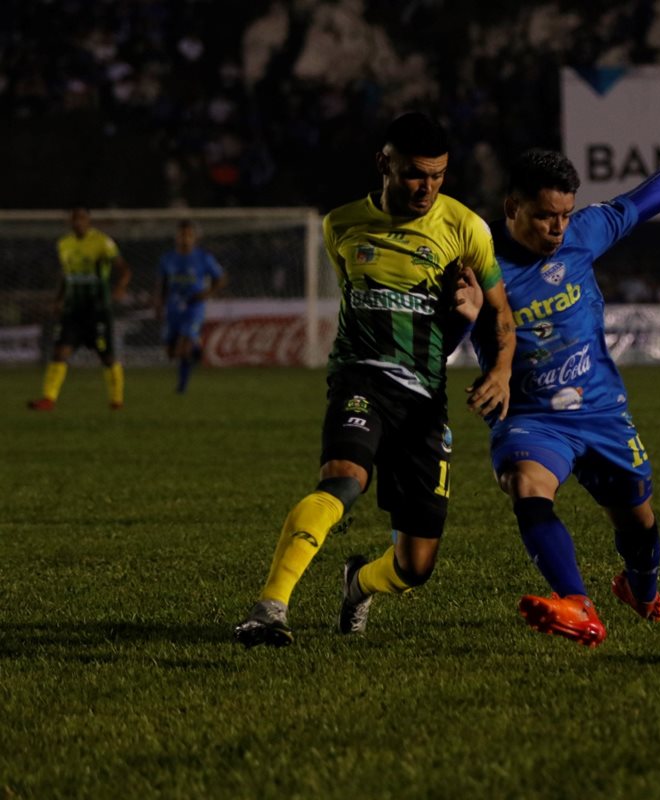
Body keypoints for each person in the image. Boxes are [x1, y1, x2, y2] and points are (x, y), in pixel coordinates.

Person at [470, 102, 660, 647]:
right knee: (526, 485)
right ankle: (578, 603)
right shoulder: (477, 260)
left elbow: (652, 195)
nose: (558, 228)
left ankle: (641, 589)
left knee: (638, 520)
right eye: (545, 216)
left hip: (603, 410)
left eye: (565, 214)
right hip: (532, 418)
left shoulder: (585, 233)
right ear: (512, 206)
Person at [233, 112, 516, 648]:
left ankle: (358, 583)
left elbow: (501, 316)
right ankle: (270, 608)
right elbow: (359, 307)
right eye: (414, 174)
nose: (427, 188)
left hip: (424, 402)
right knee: (342, 480)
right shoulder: (340, 225)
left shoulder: (466, 228)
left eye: (437, 176)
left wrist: (498, 369)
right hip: (359, 379)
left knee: (415, 567)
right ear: (384, 163)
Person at [28, 206, 133, 411]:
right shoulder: (64, 244)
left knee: (107, 357)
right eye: (75, 219)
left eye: (82, 219)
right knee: (59, 352)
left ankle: (116, 400)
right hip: (73, 310)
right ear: (70, 222)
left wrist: (120, 288)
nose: (78, 223)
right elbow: (66, 276)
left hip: (98, 309)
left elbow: (124, 269)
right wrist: (58, 300)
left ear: (88, 221)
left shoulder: (102, 242)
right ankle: (48, 399)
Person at [156, 220, 227, 394]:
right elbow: (162, 283)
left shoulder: (203, 258)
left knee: (183, 348)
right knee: (171, 353)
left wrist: (207, 294)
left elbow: (221, 278)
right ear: (176, 237)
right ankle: (197, 350)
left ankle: (182, 387)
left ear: (195, 238)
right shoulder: (167, 259)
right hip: (173, 308)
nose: (185, 238)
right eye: (182, 235)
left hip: (193, 307)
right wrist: (159, 303)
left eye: (189, 235)